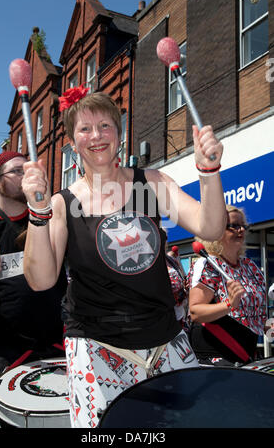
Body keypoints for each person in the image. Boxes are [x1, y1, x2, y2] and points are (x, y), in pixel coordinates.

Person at [22, 87, 226, 428]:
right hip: (96, 349)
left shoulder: (153, 184)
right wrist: (38, 212)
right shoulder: (62, 203)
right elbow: (41, 279)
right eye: (85, 129)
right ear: (73, 143)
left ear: (120, 133)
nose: (96, 135)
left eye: (105, 125)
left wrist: (209, 172)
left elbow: (211, 226)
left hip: (165, 340)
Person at [0, 152, 67, 428]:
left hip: (59, 344)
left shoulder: (47, 216)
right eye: (18, 171)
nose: (28, 175)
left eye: (30, 169)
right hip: (8, 350)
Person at [188, 205, 267, 367]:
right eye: (234, 226)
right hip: (216, 355)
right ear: (216, 231)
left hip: (247, 353)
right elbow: (195, 312)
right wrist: (229, 304)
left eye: (243, 226)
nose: (241, 231)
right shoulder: (208, 264)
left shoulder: (249, 266)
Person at [165, 245, 189, 333]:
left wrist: (185, 288)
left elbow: (181, 280)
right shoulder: (148, 263)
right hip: (165, 321)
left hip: (180, 316)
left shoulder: (171, 260)